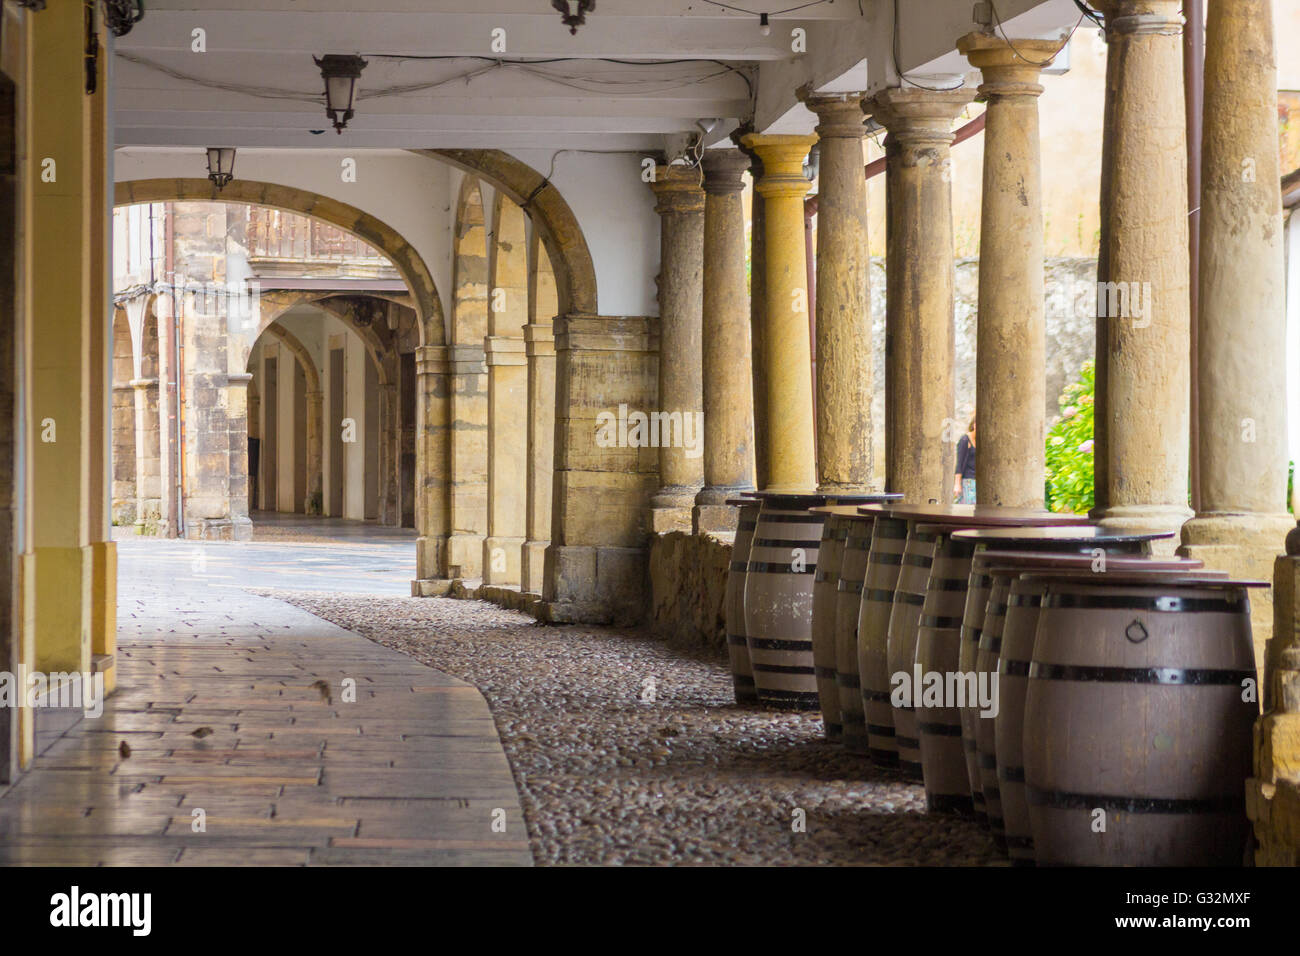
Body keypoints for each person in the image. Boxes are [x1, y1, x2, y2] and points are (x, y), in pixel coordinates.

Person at [953, 415, 976, 504]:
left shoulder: (981, 440)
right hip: (968, 480)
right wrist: (957, 484)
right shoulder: (965, 440)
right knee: (968, 507)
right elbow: (960, 463)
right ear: (974, 425)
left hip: (977, 481)